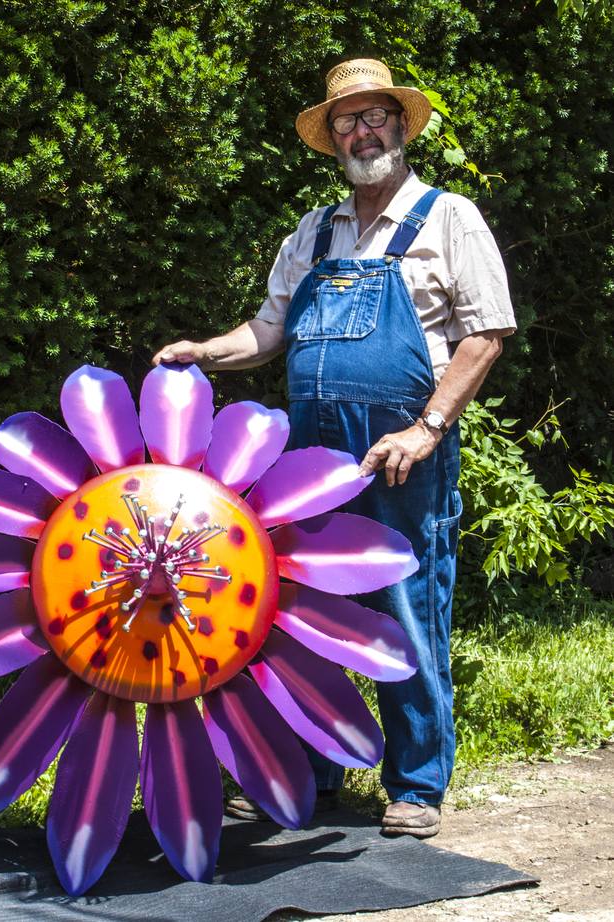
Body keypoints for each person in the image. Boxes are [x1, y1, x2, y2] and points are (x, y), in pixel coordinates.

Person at [152, 58, 515, 838]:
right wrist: (203, 353)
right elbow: (269, 330)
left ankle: (416, 785)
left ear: (400, 124)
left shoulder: (449, 217)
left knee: (406, 610)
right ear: (333, 138)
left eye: (375, 114)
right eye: (347, 120)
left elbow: (486, 331)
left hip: (401, 450)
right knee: (299, 615)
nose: (362, 129)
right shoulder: (313, 230)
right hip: (309, 460)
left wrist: (427, 428)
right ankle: (304, 774)